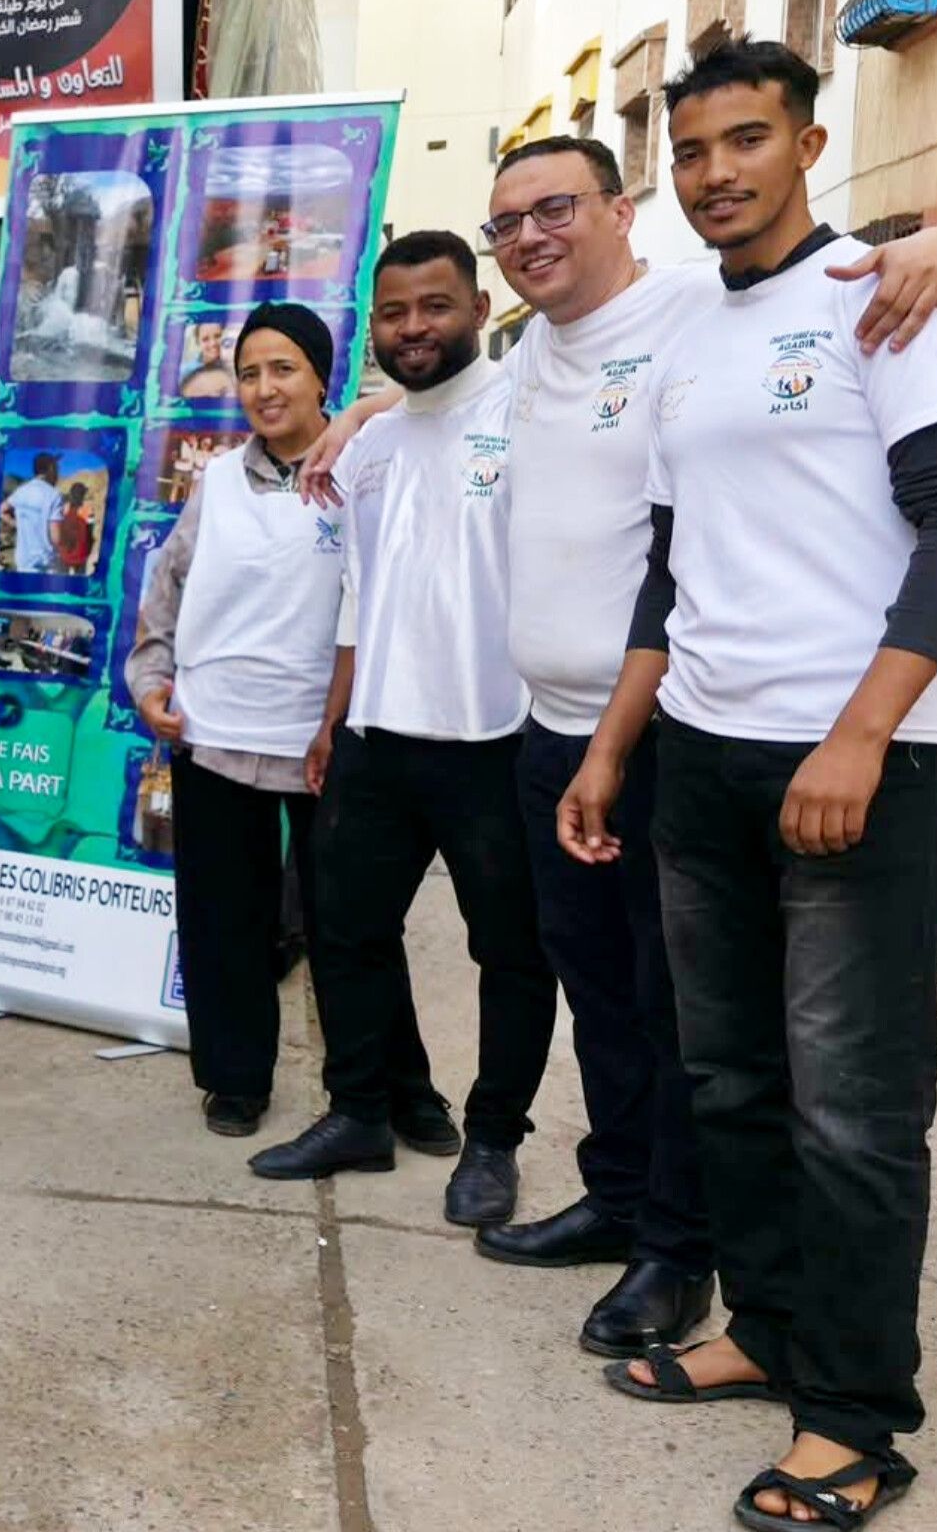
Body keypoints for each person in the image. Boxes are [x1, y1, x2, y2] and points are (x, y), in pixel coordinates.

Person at [297, 147, 937, 1353]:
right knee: (603, 1000)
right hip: (550, 736)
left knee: (690, 1022)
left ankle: (679, 1250)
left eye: (555, 208)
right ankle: (619, 1199)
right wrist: (357, 410)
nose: (531, 235)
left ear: (622, 210)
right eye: (508, 221)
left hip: (664, 733)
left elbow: (821, 283)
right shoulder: (527, 355)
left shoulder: (691, 312)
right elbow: (438, 393)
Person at [560, 39, 937, 1532]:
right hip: (704, 759)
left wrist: (864, 733)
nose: (716, 173)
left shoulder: (896, 296)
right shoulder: (692, 331)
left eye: (747, 140)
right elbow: (670, 565)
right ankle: (764, 1327)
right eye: (691, 151)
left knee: (855, 1111)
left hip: (861, 770)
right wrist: (614, 750)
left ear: (810, 143)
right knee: (734, 1080)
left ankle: (859, 1418)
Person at [246, 231, 555, 1237]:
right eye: (393, 313)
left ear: (479, 308)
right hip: (378, 734)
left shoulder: (527, 406)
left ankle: (493, 1139)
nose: (413, 327)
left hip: (496, 734)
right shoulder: (367, 446)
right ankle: (360, 1114)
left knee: (509, 951)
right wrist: (335, 717)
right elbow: (356, 590)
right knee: (345, 930)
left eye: (435, 306)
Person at [122, 302, 345, 1136]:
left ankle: (373, 1087)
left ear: (322, 377)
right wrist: (151, 680)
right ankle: (236, 1077)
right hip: (213, 730)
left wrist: (360, 419)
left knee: (347, 923)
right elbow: (168, 588)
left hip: (326, 737)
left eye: (283, 368)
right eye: (249, 373)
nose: (263, 388)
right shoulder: (216, 480)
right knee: (224, 918)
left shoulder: (363, 469)